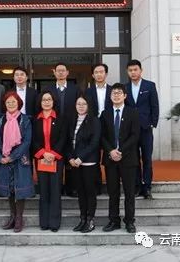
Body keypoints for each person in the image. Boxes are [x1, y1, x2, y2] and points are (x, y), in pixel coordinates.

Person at [0, 91, 34, 232]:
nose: (11, 104)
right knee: (10, 190)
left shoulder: (25, 119)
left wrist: (12, 156)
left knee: (19, 190)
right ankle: (12, 216)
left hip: (20, 159)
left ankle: (19, 218)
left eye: (13, 102)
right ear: (4, 104)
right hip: (4, 159)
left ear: (19, 104)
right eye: (8, 102)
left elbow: (27, 141)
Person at [101, 83, 140, 233]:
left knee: (129, 192)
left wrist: (120, 150)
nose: (116, 95)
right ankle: (114, 220)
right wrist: (111, 151)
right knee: (113, 192)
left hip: (128, 158)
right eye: (113, 93)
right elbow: (102, 136)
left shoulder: (133, 113)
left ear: (125, 96)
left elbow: (135, 135)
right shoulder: (105, 114)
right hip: (110, 159)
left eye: (119, 93)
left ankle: (129, 221)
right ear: (110, 97)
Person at [32, 90, 67, 232]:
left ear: (54, 102)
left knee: (55, 190)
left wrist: (53, 153)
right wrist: (42, 153)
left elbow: (63, 138)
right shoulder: (35, 119)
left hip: (56, 159)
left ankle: (54, 222)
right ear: (40, 103)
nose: (46, 102)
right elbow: (33, 140)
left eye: (49, 99)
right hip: (41, 159)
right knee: (44, 190)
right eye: (44, 100)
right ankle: (44, 222)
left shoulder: (61, 118)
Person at [125, 59, 159, 200]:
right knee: (134, 160)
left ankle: (147, 187)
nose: (133, 72)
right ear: (128, 72)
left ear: (140, 70)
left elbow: (154, 106)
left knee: (147, 159)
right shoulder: (124, 88)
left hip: (145, 128)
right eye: (130, 70)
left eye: (135, 70)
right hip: (131, 130)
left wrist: (153, 123)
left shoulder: (149, 86)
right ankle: (137, 186)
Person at [44, 62, 79, 197]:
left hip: (71, 127)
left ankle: (71, 188)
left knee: (70, 155)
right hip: (53, 128)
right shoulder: (48, 90)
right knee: (55, 156)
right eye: (58, 71)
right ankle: (56, 188)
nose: (60, 73)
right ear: (54, 72)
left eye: (63, 70)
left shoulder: (75, 89)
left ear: (67, 72)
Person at [67, 94, 101, 233]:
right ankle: (82, 219)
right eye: (78, 104)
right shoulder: (72, 120)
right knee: (80, 192)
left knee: (89, 192)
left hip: (88, 163)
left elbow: (94, 143)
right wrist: (70, 158)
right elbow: (68, 141)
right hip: (75, 163)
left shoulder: (94, 120)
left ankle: (90, 219)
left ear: (89, 106)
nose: (81, 106)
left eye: (84, 104)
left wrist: (81, 158)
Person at [85, 63, 112, 195]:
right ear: (92, 75)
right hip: (93, 127)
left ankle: (110, 183)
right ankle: (97, 185)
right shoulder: (88, 91)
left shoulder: (114, 90)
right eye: (96, 72)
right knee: (94, 156)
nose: (99, 74)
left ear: (106, 74)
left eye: (101, 72)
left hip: (109, 127)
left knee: (109, 156)